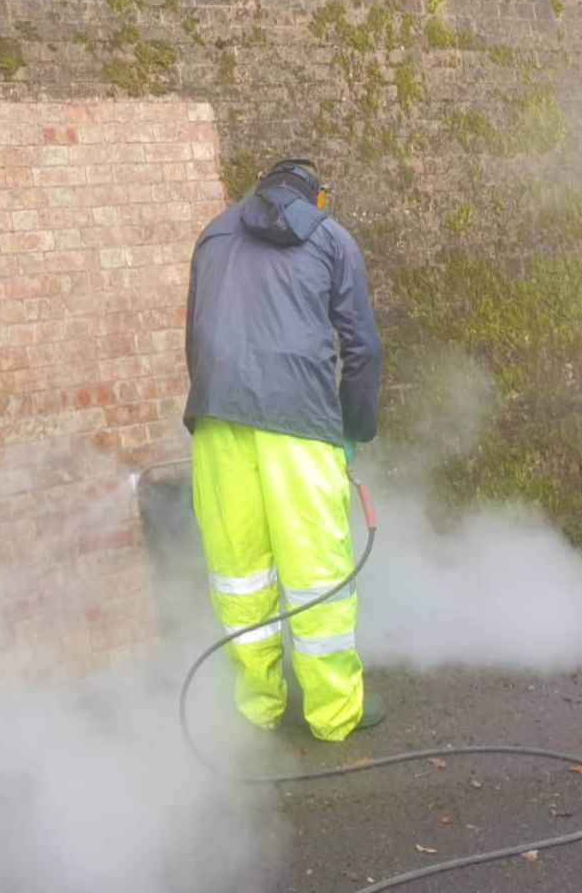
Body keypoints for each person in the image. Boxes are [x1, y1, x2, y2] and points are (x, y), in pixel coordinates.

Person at [182, 157, 383, 742]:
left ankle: (257, 707)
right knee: (316, 572)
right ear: (315, 196)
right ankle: (333, 713)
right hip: (299, 424)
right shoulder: (330, 239)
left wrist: (214, 405)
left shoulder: (215, 233)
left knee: (239, 572)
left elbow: (195, 336)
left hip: (218, 422)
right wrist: (353, 429)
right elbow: (362, 348)